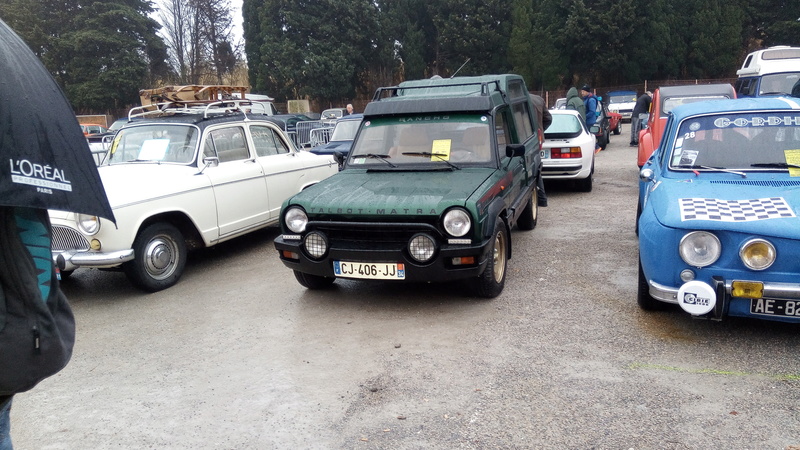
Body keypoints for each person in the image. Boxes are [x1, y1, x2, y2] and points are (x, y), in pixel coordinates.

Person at [529, 94, 552, 207]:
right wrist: (541, 130)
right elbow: (548, 119)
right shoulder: (538, 99)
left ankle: (541, 198)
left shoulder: (517, 100)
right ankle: (542, 199)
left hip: (525, 138)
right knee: (536, 166)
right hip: (538, 138)